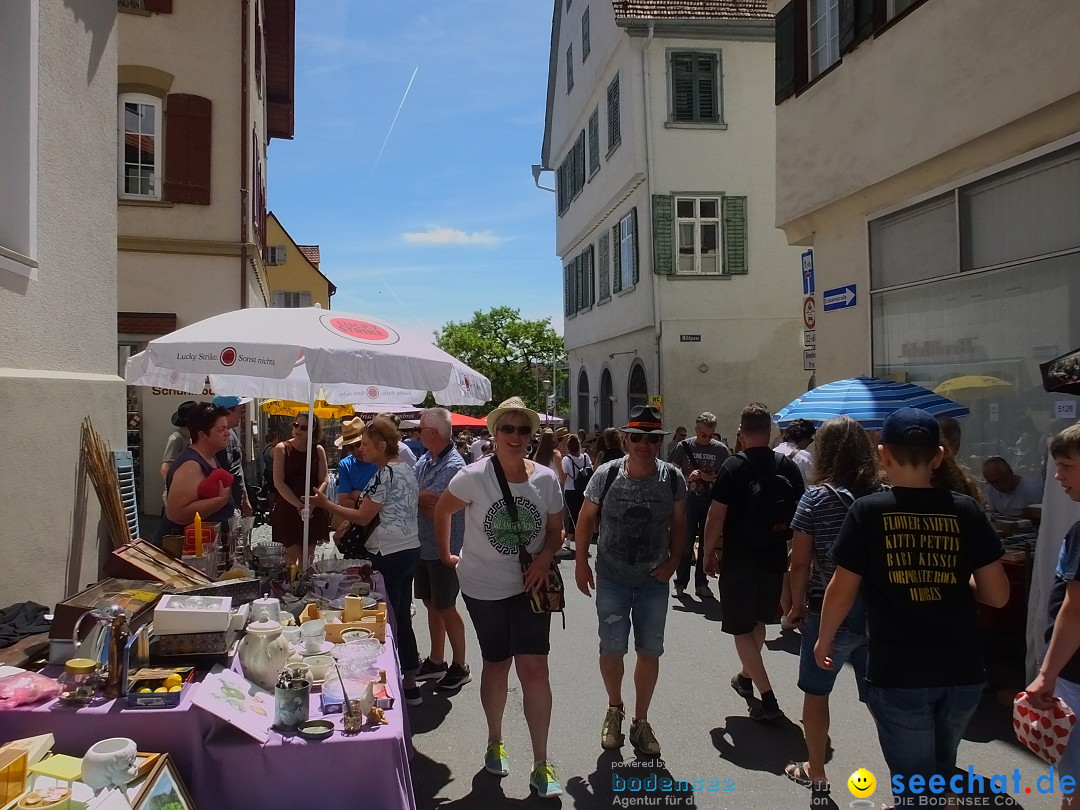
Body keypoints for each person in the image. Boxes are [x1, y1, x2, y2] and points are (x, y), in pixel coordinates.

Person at [814, 408, 1008, 809]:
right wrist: (956, 578)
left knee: (915, 780)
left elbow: (841, 589)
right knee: (939, 768)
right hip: (962, 670)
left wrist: (825, 639)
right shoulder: (966, 510)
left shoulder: (868, 512)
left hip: (900, 670)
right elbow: (998, 595)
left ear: (882, 454)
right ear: (939, 457)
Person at [434, 397, 565, 799]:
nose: (515, 436)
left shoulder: (545, 478)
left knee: (534, 669)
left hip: (530, 587)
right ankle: (495, 740)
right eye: (507, 429)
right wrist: (446, 556)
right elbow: (442, 511)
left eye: (523, 429)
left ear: (531, 436)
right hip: (484, 588)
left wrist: (544, 557)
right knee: (496, 665)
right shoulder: (474, 477)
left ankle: (541, 761)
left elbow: (557, 529)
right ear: (494, 434)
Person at [574, 406, 686, 756]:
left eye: (652, 438)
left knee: (649, 651)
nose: (644, 444)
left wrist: (673, 561)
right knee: (611, 648)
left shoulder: (673, 478)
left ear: (659, 442)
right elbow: (584, 518)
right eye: (636, 436)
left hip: (654, 580)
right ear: (625, 439)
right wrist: (581, 562)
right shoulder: (605, 475)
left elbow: (681, 523)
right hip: (612, 578)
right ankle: (614, 709)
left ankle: (641, 721)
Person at [783, 415, 886, 793]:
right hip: (878, 613)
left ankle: (817, 771)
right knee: (883, 700)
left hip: (828, 610)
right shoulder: (884, 493)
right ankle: (909, 774)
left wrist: (795, 604)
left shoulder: (815, 498)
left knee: (816, 691)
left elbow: (799, 560)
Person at [309, 416, 422, 703]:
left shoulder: (385, 474)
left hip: (388, 551)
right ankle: (409, 678)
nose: (363, 451)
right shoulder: (407, 470)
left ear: (382, 446)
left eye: (367, 446)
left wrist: (326, 504)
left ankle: (395, 681)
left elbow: (363, 516)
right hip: (409, 548)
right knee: (401, 614)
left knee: (388, 618)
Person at [703, 403, 804, 722]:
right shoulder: (786, 467)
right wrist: (795, 551)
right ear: (770, 430)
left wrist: (706, 553)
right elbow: (802, 516)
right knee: (758, 623)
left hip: (740, 559)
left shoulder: (734, 466)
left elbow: (716, 515)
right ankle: (746, 677)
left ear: (742, 431)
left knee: (740, 627)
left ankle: (769, 698)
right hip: (774, 556)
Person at [1026, 423, 1080, 808]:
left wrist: (1046, 675)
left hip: (1076, 676)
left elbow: (1074, 609)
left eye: (1066, 466)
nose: (1058, 476)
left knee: (1074, 780)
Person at [412, 408, 471, 691]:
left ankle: (460, 665)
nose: (417, 431)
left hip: (445, 548)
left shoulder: (453, 466)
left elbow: (433, 502)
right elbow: (418, 496)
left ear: (433, 433)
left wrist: (419, 497)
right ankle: (437, 660)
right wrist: (418, 497)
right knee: (431, 603)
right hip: (425, 545)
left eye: (421, 428)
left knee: (446, 606)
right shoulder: (426, 459)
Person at [669, 412, 730, 599]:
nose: (707, 438)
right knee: (685, 543)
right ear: (696, 430)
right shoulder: (683, 446)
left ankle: (701, 583)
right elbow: (671, 474)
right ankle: (680, 582)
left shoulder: (720, 450)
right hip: (687, 502)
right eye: (704, 434)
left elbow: (727, 477)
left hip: (711, 503)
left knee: (707, 545)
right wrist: (688, 478)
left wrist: (711, 478)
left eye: (710, 435)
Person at [156, 403, 234, 544]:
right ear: (202, 435)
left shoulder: (209, 456)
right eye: (221, 429)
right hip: (183, 553)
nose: (228, 433)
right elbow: (176, 513)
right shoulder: (191, 465)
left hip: (202, 547)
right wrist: (220, 500)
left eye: (227, 428)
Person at [271, 413, 330, 566]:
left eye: (303, 428)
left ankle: (307, 587)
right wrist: (299, 506)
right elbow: (278, 482)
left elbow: (324, 479)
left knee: (308, 559)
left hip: (312, 506)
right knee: (290, 560)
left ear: (312, 430)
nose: (298, 430)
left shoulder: (318, 450)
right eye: (296, 425)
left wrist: (314, 503)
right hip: (288, 506)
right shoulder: (282, 448)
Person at [211, 395, 253, 517]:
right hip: (223, 507)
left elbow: (237, 468)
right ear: (228, 413)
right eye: (240, 411)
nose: (242, 415)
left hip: (234, 502)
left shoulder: (231, 432)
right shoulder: (214, 438)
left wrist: (245, 499)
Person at [160, 400, 197, 506]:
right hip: (177, 491)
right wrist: (176, 487)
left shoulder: (190, 438)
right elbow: (165, 468)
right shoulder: (176, 438)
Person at [561, 435, 591, 536]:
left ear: (568, 447)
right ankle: (581, 536)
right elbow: (590, 470)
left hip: (570, 490)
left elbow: (564, 476)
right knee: (582, 515)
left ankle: (578, 537)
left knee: (574, 516)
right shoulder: (586, 457)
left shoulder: (566, 460)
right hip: (584, 489)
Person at [774, 418, 816, 483]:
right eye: (810, 440)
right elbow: (812, 482)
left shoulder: (773, 452)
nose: (809, 443)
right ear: (804, 438)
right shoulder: (804, 456)